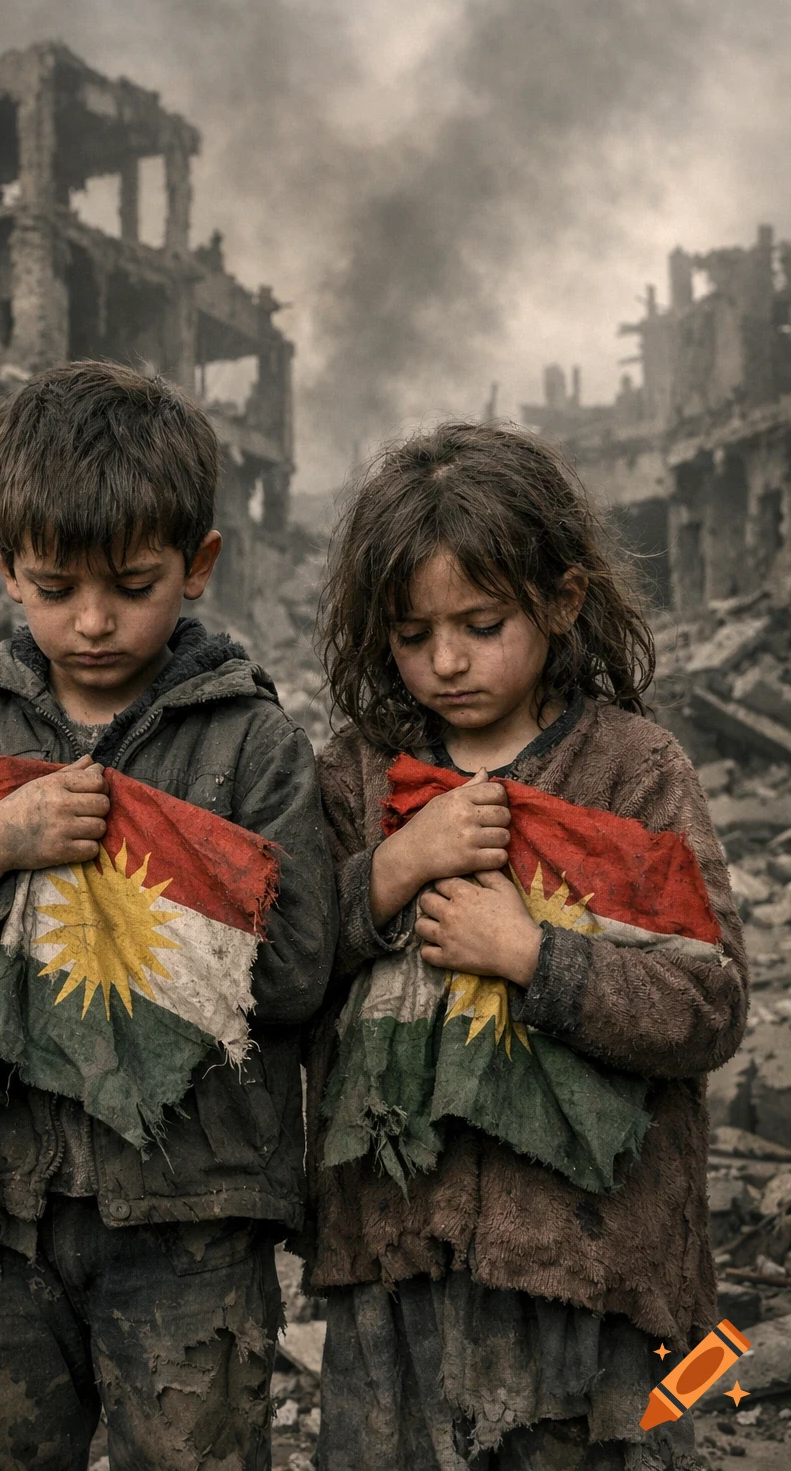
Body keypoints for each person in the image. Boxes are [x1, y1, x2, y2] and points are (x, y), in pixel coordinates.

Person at [0, 360, 338, 1471]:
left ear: (197, 565)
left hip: (189, 1218)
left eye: (131, 585)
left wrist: (166, 856)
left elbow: (297, 974)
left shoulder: (252, 745)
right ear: (6, 570)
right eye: (56, 589)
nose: (93, 621)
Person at [305, 422, 746, 1471]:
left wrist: (534, 957)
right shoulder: (358, 776)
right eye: (412, 635)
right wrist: (391, 869)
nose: (445, 661)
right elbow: (281, 965)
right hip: (394, 1259)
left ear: (560, 600)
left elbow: (707, 1006)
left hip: (586, 1269)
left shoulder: (631, 772)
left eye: (481, 622)